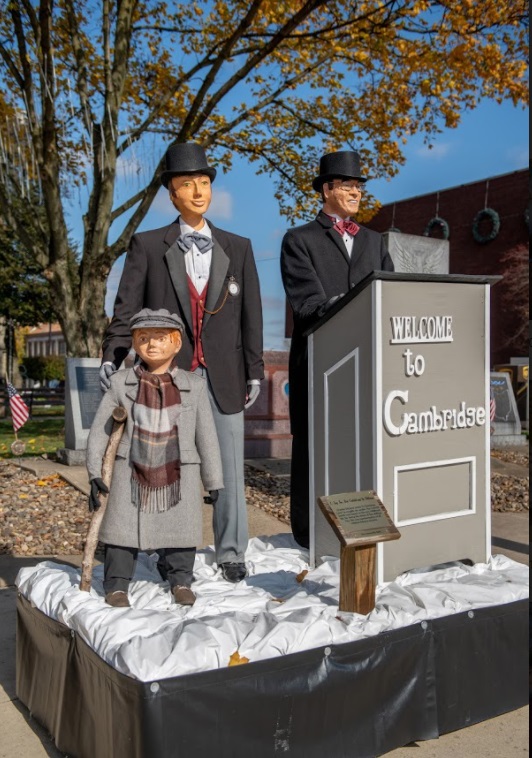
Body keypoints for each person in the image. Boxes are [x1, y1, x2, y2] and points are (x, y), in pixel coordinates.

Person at [100, 143, 264, 583]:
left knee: (227, 465)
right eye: (187, 184)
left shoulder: (239, 247)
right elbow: (126, 308)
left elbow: (251, 317)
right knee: (164, 464)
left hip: (225, 373)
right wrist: (114, 355)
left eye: (204, 183)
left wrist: (254, 370)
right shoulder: (148, 245)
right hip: (167, 374)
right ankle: (164, 547)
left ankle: (231, 550)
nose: (198, 191)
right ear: (172, 194)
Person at [280, 150, 394, 548]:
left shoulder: (375, 241)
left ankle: (362, 525)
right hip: (318, 361)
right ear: (327, 189)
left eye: (359, 186)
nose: (357, 192)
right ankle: (308, 532)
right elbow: (307, 303)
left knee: (360, 443)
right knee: (314, 446)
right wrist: (349, 304)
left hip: (366, 363)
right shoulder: (299, 240)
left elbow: (389, 296)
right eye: (348, 185)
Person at [87, 308, 223, 607]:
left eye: (161, 338)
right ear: (135, 344)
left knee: (181, 530)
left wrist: (214, 480)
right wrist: (94, 473)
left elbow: (207, 436)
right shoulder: (121, 383)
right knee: (121, 531)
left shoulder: (194, 386)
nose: (152, 345)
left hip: (179, 471)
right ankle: (117, 585)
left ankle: (181, 581)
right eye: (144, 338)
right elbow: (100, 431)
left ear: (176, 343)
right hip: (130, 470)